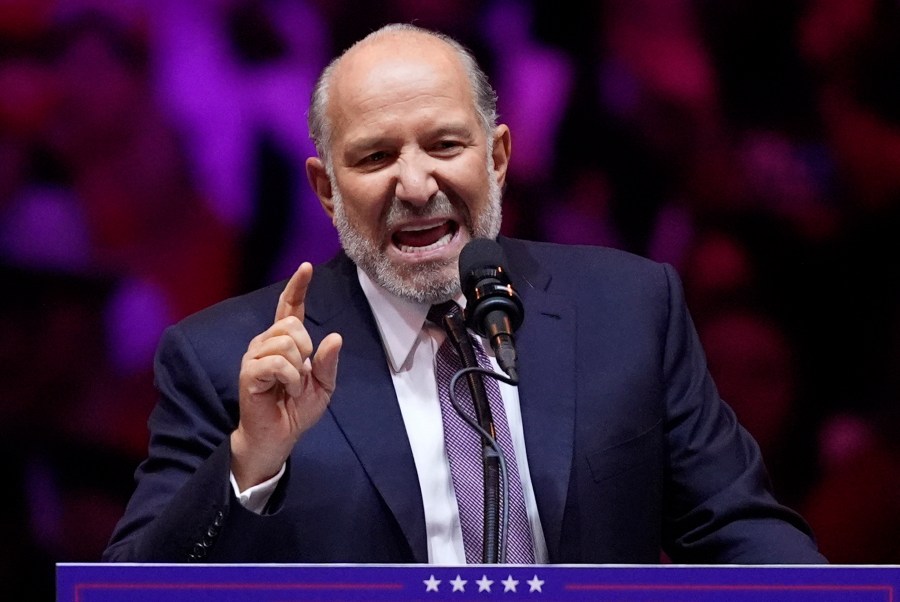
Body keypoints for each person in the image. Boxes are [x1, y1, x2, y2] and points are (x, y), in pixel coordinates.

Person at [103, 23, 825, 564]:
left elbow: (739, 530)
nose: (416, 186)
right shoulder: (227, 358)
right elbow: (132, 588)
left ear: (499, 158)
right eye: (376, 156)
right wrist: (249, 460)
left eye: (445, 146)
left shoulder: (630, 310)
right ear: (325, 190)